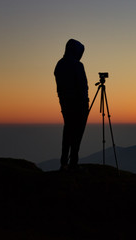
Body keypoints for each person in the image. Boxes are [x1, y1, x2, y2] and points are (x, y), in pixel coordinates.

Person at [54, 39, 89, 171]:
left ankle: (64, 163)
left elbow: (60, 87)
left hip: (65, 104)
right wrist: (85, 102)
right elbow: (82, 86)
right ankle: (73, 163)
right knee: (77, 134)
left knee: (68, 131)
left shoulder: (59, 64)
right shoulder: (78, 65)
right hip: (79, 105)